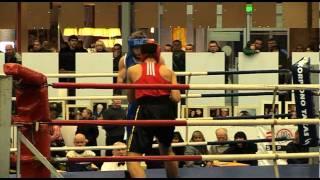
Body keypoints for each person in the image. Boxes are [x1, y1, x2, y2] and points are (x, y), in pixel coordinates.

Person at [126, 41, 181, 178]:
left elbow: (131, 99)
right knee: (167, 151)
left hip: (145, 110)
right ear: (158, 54)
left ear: (141, 54)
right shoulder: (168, 71)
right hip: (166, 111)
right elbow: (176, 98)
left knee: (132, 158)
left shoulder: (133, 70)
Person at [117, 31, 165, 141]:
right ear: (131, 48)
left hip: (154, 99)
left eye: (140, 48)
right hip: (135, 99)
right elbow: (120, 80)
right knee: (132, 131)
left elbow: (164, 77)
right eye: (135, 48)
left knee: (158, 133)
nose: (138, 51)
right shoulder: (124, 60)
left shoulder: (158, 59)